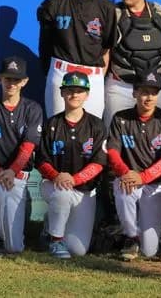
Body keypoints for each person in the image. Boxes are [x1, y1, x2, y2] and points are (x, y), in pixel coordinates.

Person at [106, 71, 161, 261]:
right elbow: (113, 152)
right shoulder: (120, 118)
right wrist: (125, 172)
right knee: (123, 188)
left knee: (150, 251)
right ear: (134, 93)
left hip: (155, 183)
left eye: (153, 93)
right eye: (144, 92)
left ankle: (148, 236)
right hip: (129, 178)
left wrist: (144, 177)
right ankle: (131, 236)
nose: (148, 98)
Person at [37, 0, 115, 119]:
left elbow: (107, 46)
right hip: (61, 71)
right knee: (56, 129)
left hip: (92, 75)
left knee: (92, 132)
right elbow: (45, 45)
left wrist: (98, 75)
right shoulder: (53, 3)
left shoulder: (106, 7)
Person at [36, 71, 107, 259]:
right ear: (61, 93)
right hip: (55, 184)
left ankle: (50, 226)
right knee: (62, 194)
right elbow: (41, 159)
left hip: (84, 189)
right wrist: (57, 176)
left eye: (79, 91)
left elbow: (100, 162)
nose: (74, 95)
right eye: (69, 90)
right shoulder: (52, 123)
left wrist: (74, 179)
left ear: (87, 95)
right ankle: (56, 239)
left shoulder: (97, 125)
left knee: (78, 250)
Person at [0, 56, 44, 256]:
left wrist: (11, 171)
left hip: (18, 176)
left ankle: (6, 240)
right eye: (7, 78)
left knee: (14, 247)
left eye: (16, 80)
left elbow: (28, 146)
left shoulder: (32, 109)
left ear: (24, 82)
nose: (11, 83)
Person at [104, 0, 161, 128]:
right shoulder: (114, 13)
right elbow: (104, 52)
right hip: (121, 86)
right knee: (113, 136)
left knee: (157, 136)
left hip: (152, 89)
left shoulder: (159, 12)